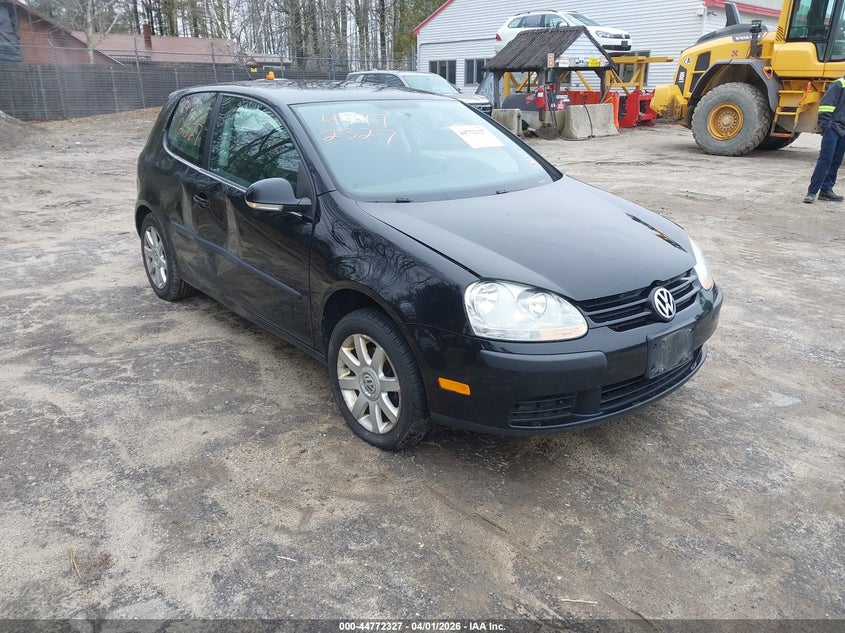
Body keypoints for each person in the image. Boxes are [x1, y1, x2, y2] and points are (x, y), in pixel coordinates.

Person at [804, 76, 845, 203]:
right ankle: (812, 192)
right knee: (825, 159)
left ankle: (826, 190)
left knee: (836, 161)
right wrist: (827, 127)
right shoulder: (839, 85)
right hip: (833, 128)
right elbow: (825, 106)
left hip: (843, 130)